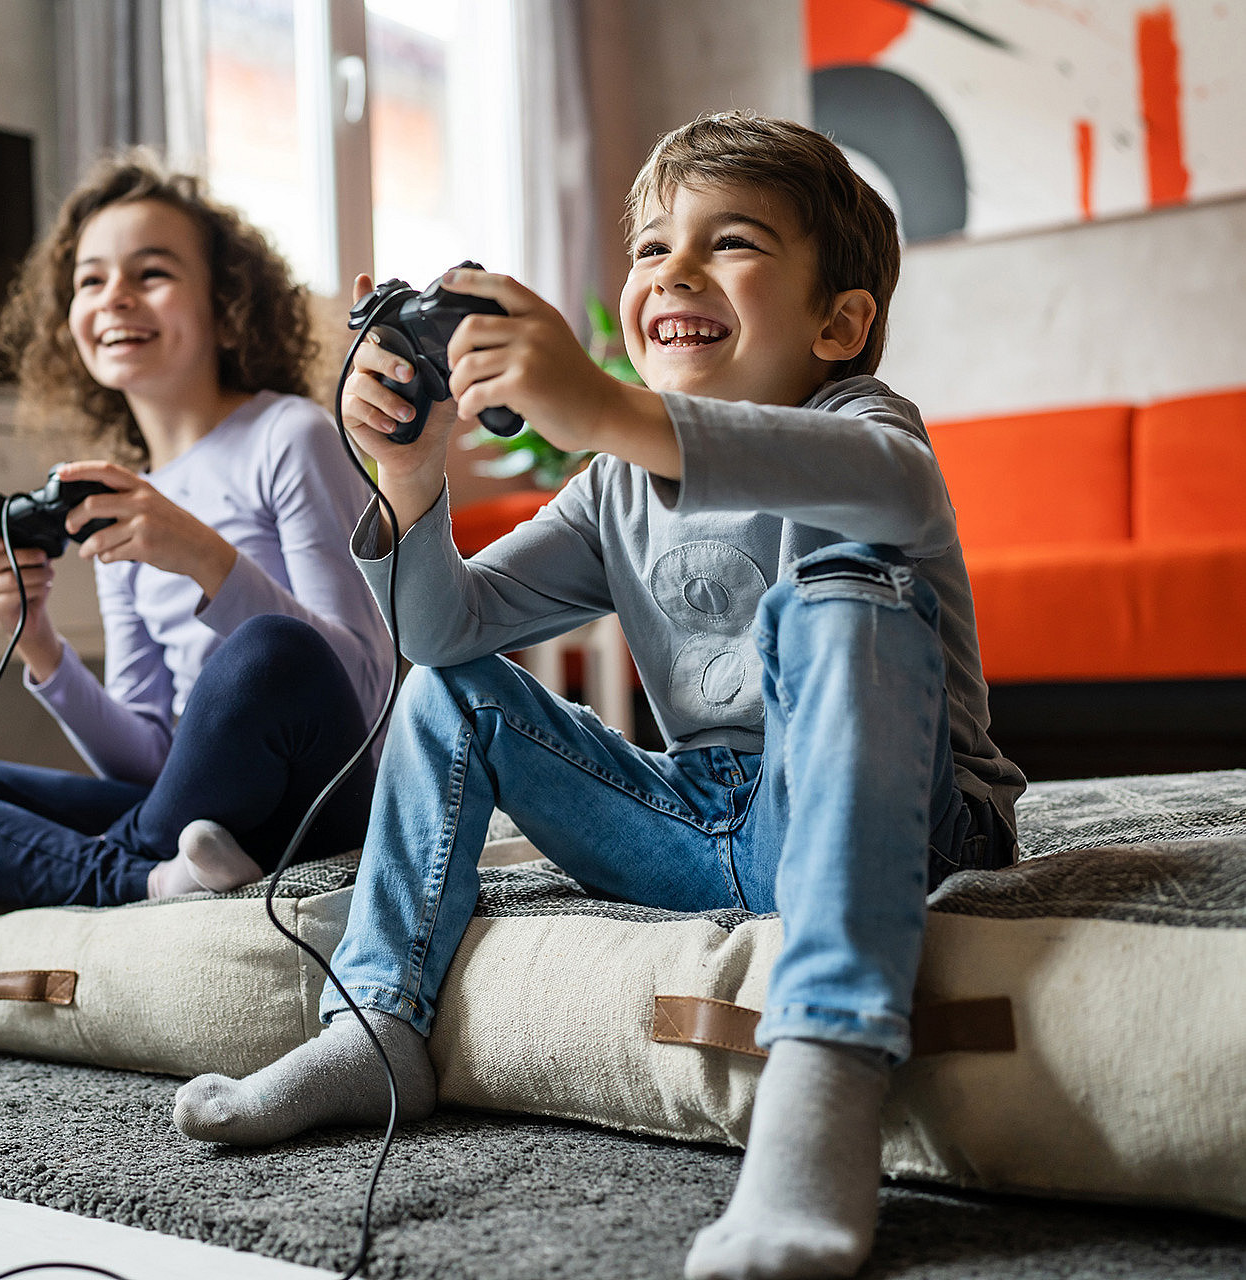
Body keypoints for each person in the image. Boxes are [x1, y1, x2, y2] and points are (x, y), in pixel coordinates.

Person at [172, 112, 1026, 1280]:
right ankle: (376, 1023)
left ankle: (825, 1067)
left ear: (840, 321)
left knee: (843, 596)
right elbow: (443, 630)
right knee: (455, 691)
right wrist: (414, 475)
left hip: (914, 827)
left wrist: (611, 407)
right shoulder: (615, 484)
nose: (671, 269)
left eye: (729, 243)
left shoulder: (864, 424)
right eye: (648, 248)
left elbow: (887, 487)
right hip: (702, 823)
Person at [0, 153, 392, 908]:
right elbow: (145, 761)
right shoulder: (123, 494)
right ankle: (145, 882)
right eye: (90, 280)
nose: (115, 298)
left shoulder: (290, 434)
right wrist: (37, 641)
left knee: (270, 652)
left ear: (226, 302)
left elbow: (362, 689)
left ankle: (94, 872)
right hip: (186, 823)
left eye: (151, 273)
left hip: (314, 804)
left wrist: (207, 559)